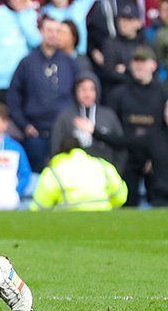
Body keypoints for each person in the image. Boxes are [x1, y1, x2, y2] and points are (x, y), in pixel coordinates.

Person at [7, 17, 80, 172]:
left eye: (57, 31)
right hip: (36, 134)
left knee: (65, 174)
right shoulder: (27, 63)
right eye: (49, 30)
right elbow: (13, 97)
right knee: (37, 178)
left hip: (64, 133)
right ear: (41, 32)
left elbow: (79, 94)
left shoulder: (70, 63)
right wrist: (24, 125)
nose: (53, 34)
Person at [109, 46, 168, 206]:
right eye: (135, 61)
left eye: (143, 61)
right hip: (127, 157)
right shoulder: (119, 93)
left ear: (153, 65)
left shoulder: (162, 93)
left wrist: (156, 156)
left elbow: (164, 127)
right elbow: (113, 125)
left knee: (160, 207)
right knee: (127, 206)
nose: (138, 65)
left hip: (155, 161)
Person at [30, 138, 128, 210]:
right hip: (103, 215)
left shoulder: (53, 171)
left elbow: (40, 206)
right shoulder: (102, 165)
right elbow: (120, 196)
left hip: (67, 220)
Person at [50, 73, 124, 168]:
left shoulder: (109, 116)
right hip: (73, 173)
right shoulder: (65, 117)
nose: (87, 94)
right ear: (75, 91)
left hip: (104, 173)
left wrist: (116, 170)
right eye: (83, 89)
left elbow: (120, 147)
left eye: (91, 89)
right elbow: (55, 148)